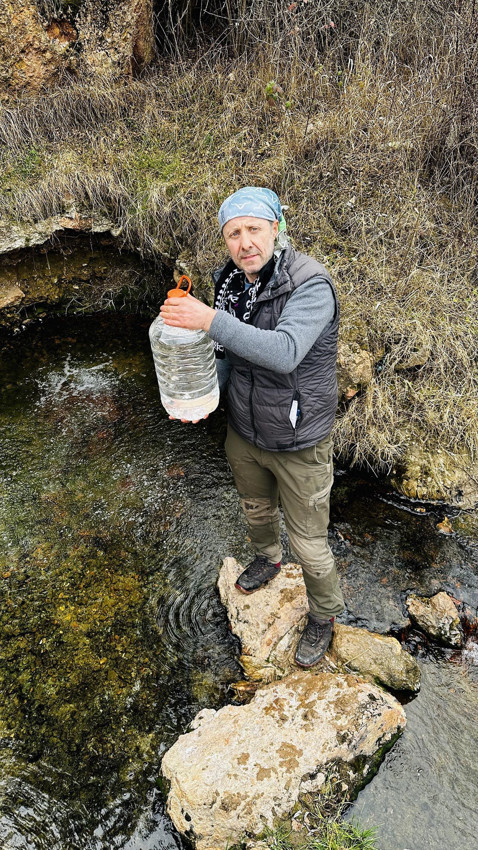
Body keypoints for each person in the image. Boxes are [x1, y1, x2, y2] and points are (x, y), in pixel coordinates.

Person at [160, 186, 344, 667]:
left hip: (299, 439)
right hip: (245, 429)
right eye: (233, 233)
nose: (245, 242)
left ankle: (323, 615)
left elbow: (284, 353)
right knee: (256, 508)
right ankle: (266, 557)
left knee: (309, 541)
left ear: (276, 228)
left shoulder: (310, 284)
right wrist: (202, 396)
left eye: (254, 229)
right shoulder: (232, 283)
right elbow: (226, 354)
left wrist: (208, 318)